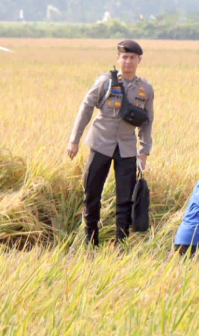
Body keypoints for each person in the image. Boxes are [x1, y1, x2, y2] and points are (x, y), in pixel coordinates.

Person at [67, 40, 155, 246]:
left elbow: (147, 121)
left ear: (139, 60)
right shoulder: (105, 82)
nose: (128, 62)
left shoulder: (145, 89)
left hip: (126, 148)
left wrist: (144, 151)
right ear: (118, 59)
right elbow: (86, 107)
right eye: (124, 57)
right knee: (92, 192)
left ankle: (121, 242)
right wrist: (74, 140)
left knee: (125, 197)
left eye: (132, 58)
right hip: (100, 144)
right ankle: (90, 240)